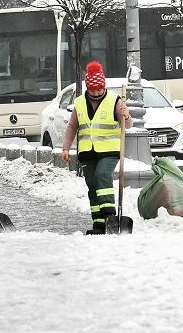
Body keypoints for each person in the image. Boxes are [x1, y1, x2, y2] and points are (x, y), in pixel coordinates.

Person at [61, 61, 133, 235]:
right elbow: (72, 126)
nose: (96, 93)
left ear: (104, 86)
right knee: (92, 186)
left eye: (99, 89)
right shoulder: (79, 103)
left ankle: (110, 217)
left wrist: (126, 115)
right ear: (88, 88)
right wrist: (66, 148)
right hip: (87, 153)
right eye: (93, 90)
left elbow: (128, 125)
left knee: (102, 176)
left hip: (110, 151)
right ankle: (99, 223)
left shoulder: (114, 100)